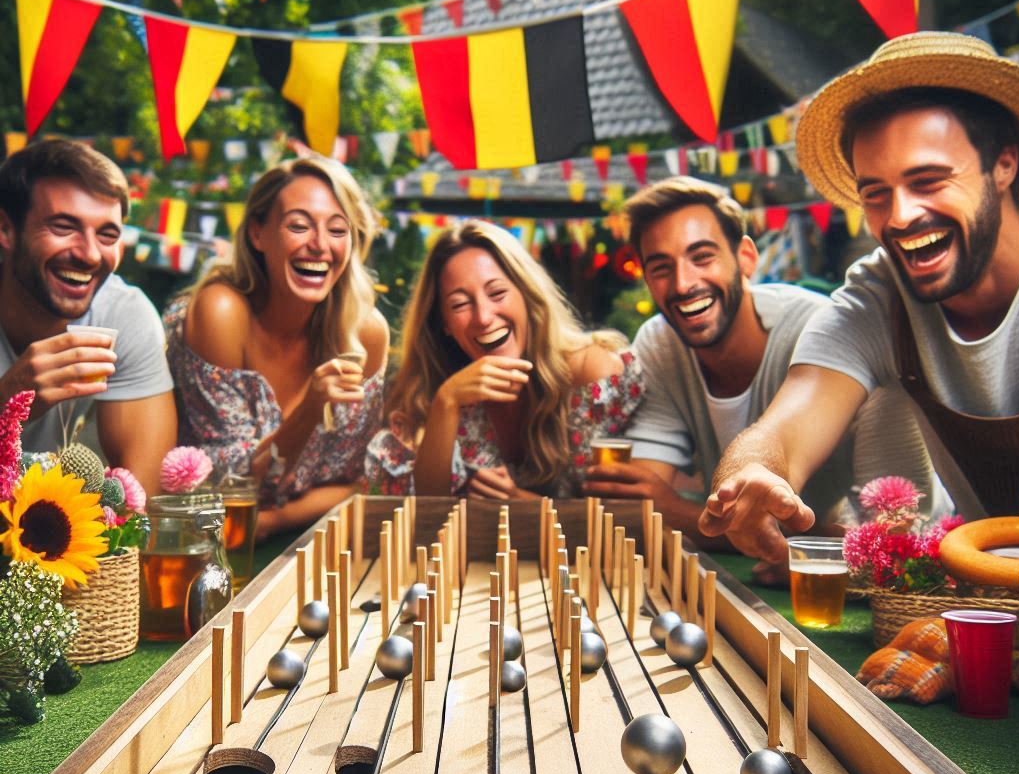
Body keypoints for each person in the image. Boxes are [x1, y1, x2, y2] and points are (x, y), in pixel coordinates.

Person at [700, 32, 1019, 562]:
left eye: (928, 180)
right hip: (992, 608)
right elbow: (783, 429)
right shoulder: (878, 296)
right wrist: (748, 477)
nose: (899, 216)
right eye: (876, 193)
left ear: (1004, 163)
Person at [584, 177, 942, 556]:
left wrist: (679, 512)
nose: (684, 283)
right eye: (660, 268)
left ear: (746, 258)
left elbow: (898, 539)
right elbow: (640, 501)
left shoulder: (827, 331)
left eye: (702, 257)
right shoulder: (660, 343)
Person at [164, 156, 388, 540]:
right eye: (299, 226)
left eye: (337, 230)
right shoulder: (222, 312)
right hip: (197, 547)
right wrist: (309, 411)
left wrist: (272, 521)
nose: (319, 245)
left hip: (313, 542)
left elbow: (365, 481)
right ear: (257, 233)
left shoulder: (364, 332)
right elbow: (230, 486)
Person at [366, 219, 644, 499]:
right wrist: (446, 401)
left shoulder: (590, 372)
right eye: (460, 304)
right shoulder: (439, 387)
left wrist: (519, 503)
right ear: (444, 324)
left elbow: (614, 518)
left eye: (497, 293)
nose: (484, 318)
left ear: (526, 294)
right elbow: (428, 511)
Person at [0, 139, 176, 495]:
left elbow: (142, 505)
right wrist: (7, 406)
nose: (90, 254)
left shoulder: (124, 315)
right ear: (6, 230)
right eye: (64, 227)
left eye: (108, 235)